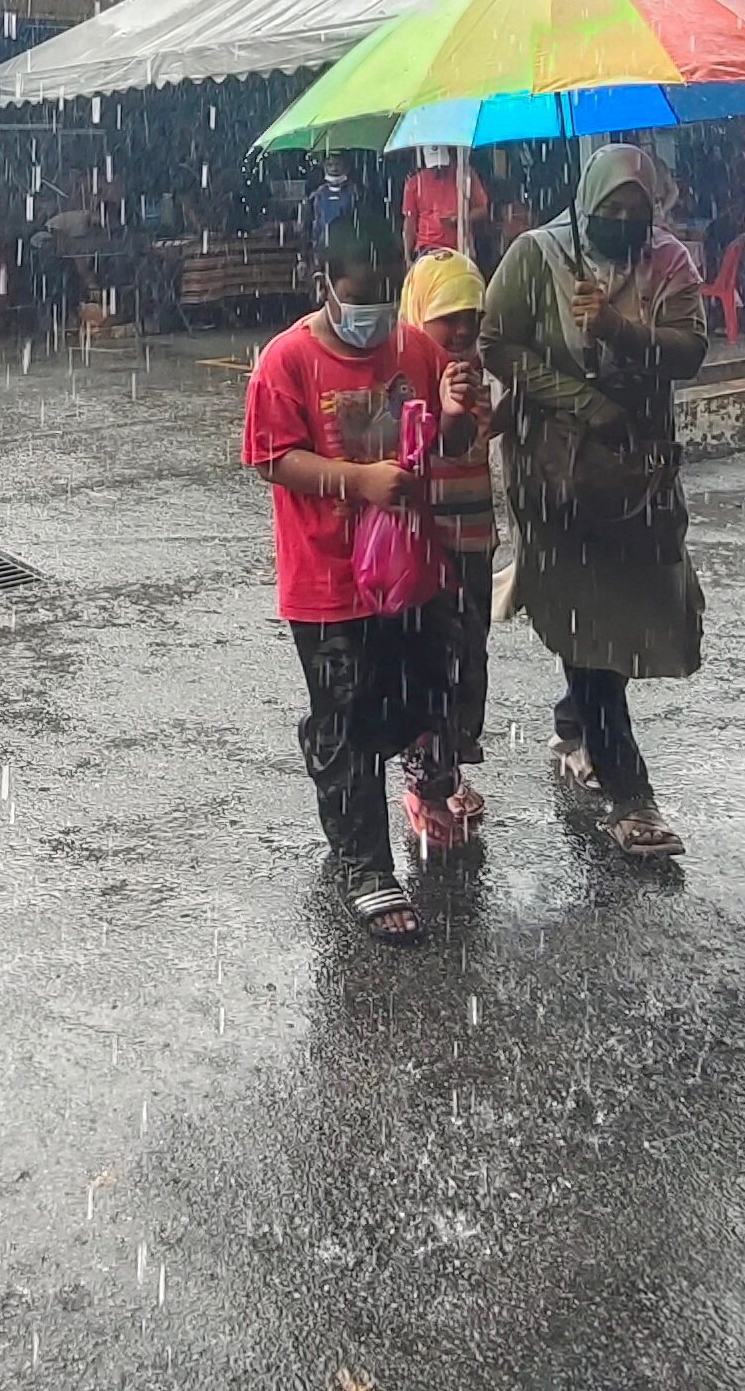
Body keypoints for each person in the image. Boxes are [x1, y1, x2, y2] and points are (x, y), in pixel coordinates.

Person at [242, 203, 468, 943]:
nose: (373, 309)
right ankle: (365, 864)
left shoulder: (413, 349)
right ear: (325, 286)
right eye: (360, 291)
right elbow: (274, 458)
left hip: (411, 570)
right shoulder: (288, 361)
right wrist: (355, 481)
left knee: (420, 696)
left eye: (387, 288)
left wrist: (465, 411)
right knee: (347, 722)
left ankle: (418, 784)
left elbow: (448, 437)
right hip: (328, 579)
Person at [480, 145, 706, 859]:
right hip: (555, 474)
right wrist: (578, 398)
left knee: (634, 607)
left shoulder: (667, 263)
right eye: (610, 214)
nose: (625, 226)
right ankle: (629, 792)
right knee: (585, 615)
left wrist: (619, 330)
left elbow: (691, 350)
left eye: (638, 215)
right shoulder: (535, 255)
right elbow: (496, 344)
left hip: (638, 475)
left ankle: (576, 719)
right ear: (586, 206)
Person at [399, 247, 497, 843]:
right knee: (433, 660)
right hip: (425, 547)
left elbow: (481, 441)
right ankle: (425, 787)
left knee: (472, 656)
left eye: (472, 315)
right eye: (447, 316)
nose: (461, 330)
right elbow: (430, 451)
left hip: (475, 539)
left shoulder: (477, 368)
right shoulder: (404, 373)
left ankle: (451, 767)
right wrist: (446, 407)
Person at [399, 147, 482, 259]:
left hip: (459, 246)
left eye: (442, 166)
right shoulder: (414, 183)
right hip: (427, 248)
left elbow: (482, 208)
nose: (438, 170)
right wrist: (407, 256)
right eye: (434, 167)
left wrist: (460, 219)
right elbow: (410, 222)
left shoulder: (464, 176)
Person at [302, 152, 363, 254]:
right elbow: (307, 226)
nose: (334, 168)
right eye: (330, 165)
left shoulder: (355, 194)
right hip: (321, 249)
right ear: (324, 167)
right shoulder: (317, 195)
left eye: (337, 164)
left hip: (349, 250)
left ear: (345, 167)